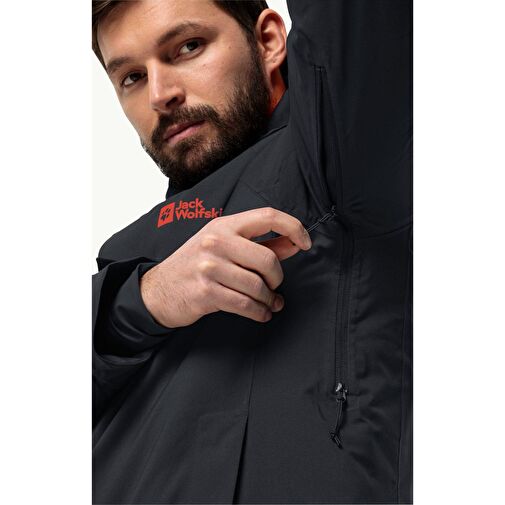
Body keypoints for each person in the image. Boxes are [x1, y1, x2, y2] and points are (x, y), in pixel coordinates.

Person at [92, 1, 412, 503]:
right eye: (131, 77)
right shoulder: (122, 255)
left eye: (188, 47)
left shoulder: (333, 158)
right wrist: (145, 299)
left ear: (268, 41)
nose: (159, 94)